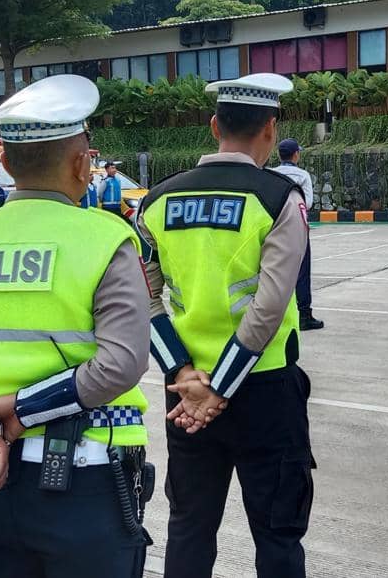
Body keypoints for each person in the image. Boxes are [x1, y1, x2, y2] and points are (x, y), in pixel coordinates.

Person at [0, 74, 153, 577]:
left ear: (7, 165)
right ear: (81, 164)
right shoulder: (105, 237)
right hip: (86, 480)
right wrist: (23, 410)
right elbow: (123, 361)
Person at [136, 73, 315, 578]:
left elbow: (145, 302)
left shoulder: (156, 202)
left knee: (190, 528)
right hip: (265, 389)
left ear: (215, 125)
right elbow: (270, 306)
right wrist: (223, 389)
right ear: (269, 129)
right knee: (277, 533)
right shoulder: (279, 199)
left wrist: (187, 378)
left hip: (186, 397)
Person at [272, 139, 323, 331]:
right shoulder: (303, 175)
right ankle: (304, 315)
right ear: (295, 155)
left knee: (274, 271)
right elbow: (307, 203)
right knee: (301, 271)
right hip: (297, 227)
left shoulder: (270, 174)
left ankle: (275, 315)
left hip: (273, 227)